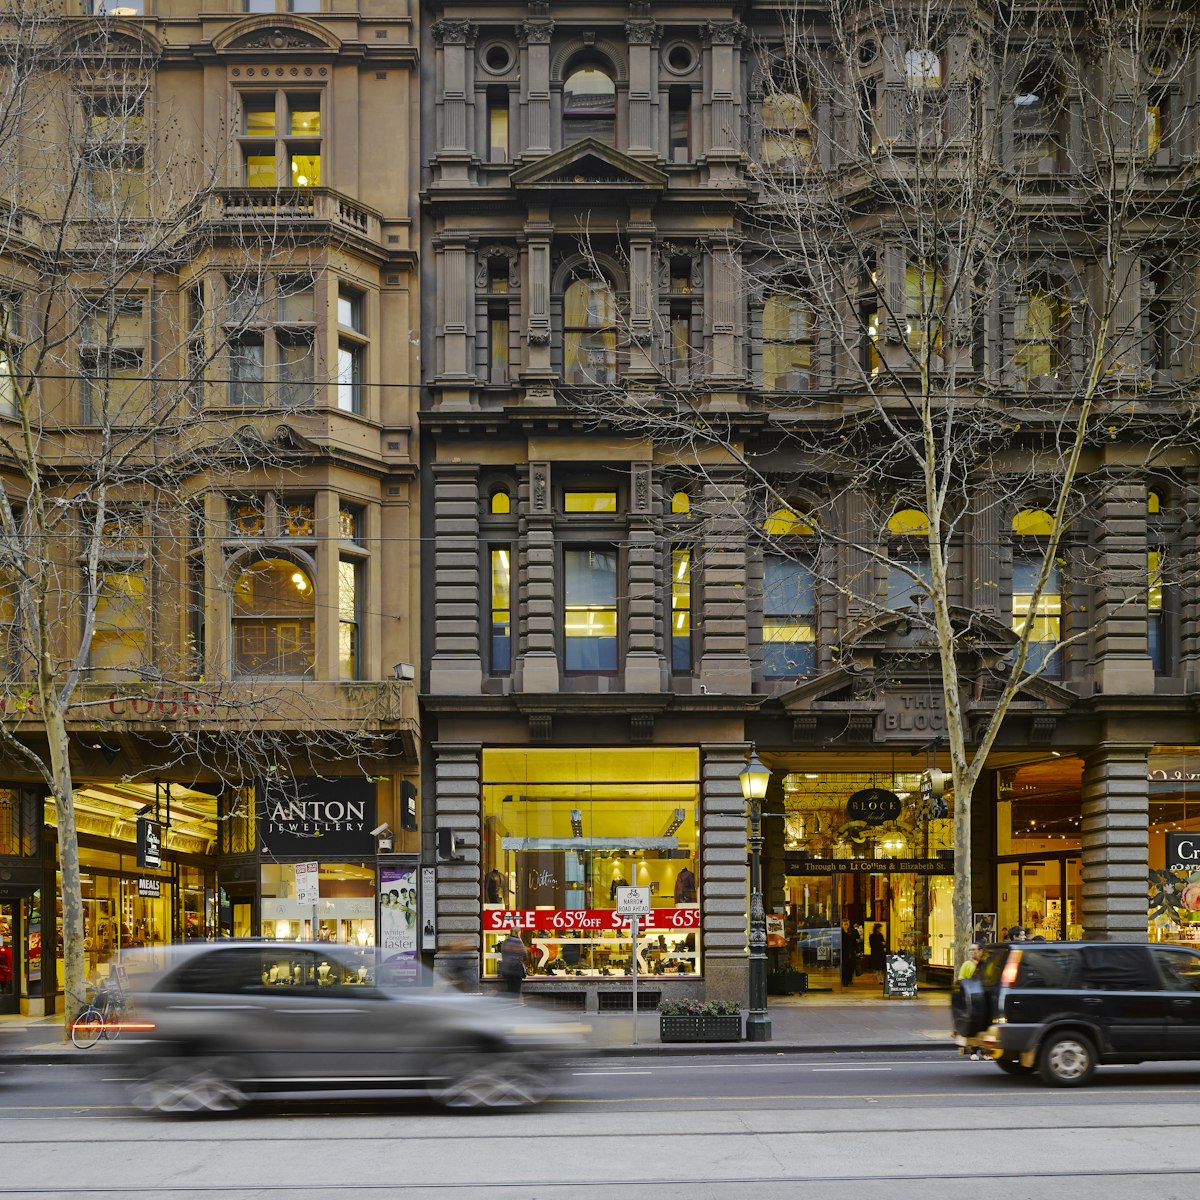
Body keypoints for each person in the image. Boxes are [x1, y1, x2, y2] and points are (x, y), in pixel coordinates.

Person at [498, 931, 528, 997]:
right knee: (516, 990)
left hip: (507, 969)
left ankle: (510, 1002)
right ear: (518, 933)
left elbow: (502, 952)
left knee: (509, 988)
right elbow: (524, 953)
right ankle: (514, 1003)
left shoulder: (506, 941)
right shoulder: (518, 941)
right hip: (516, 969)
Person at [839, 921, 860, 987]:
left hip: (851, 951)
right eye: (844, 924)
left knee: (851, 967)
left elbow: (855, 940)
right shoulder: (841, 932)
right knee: (844, 967)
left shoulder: (852, 931)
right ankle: (844, 981)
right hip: (844, 952)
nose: (846, 926)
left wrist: (856, 951)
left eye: (847, 924)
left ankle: (849, 979)